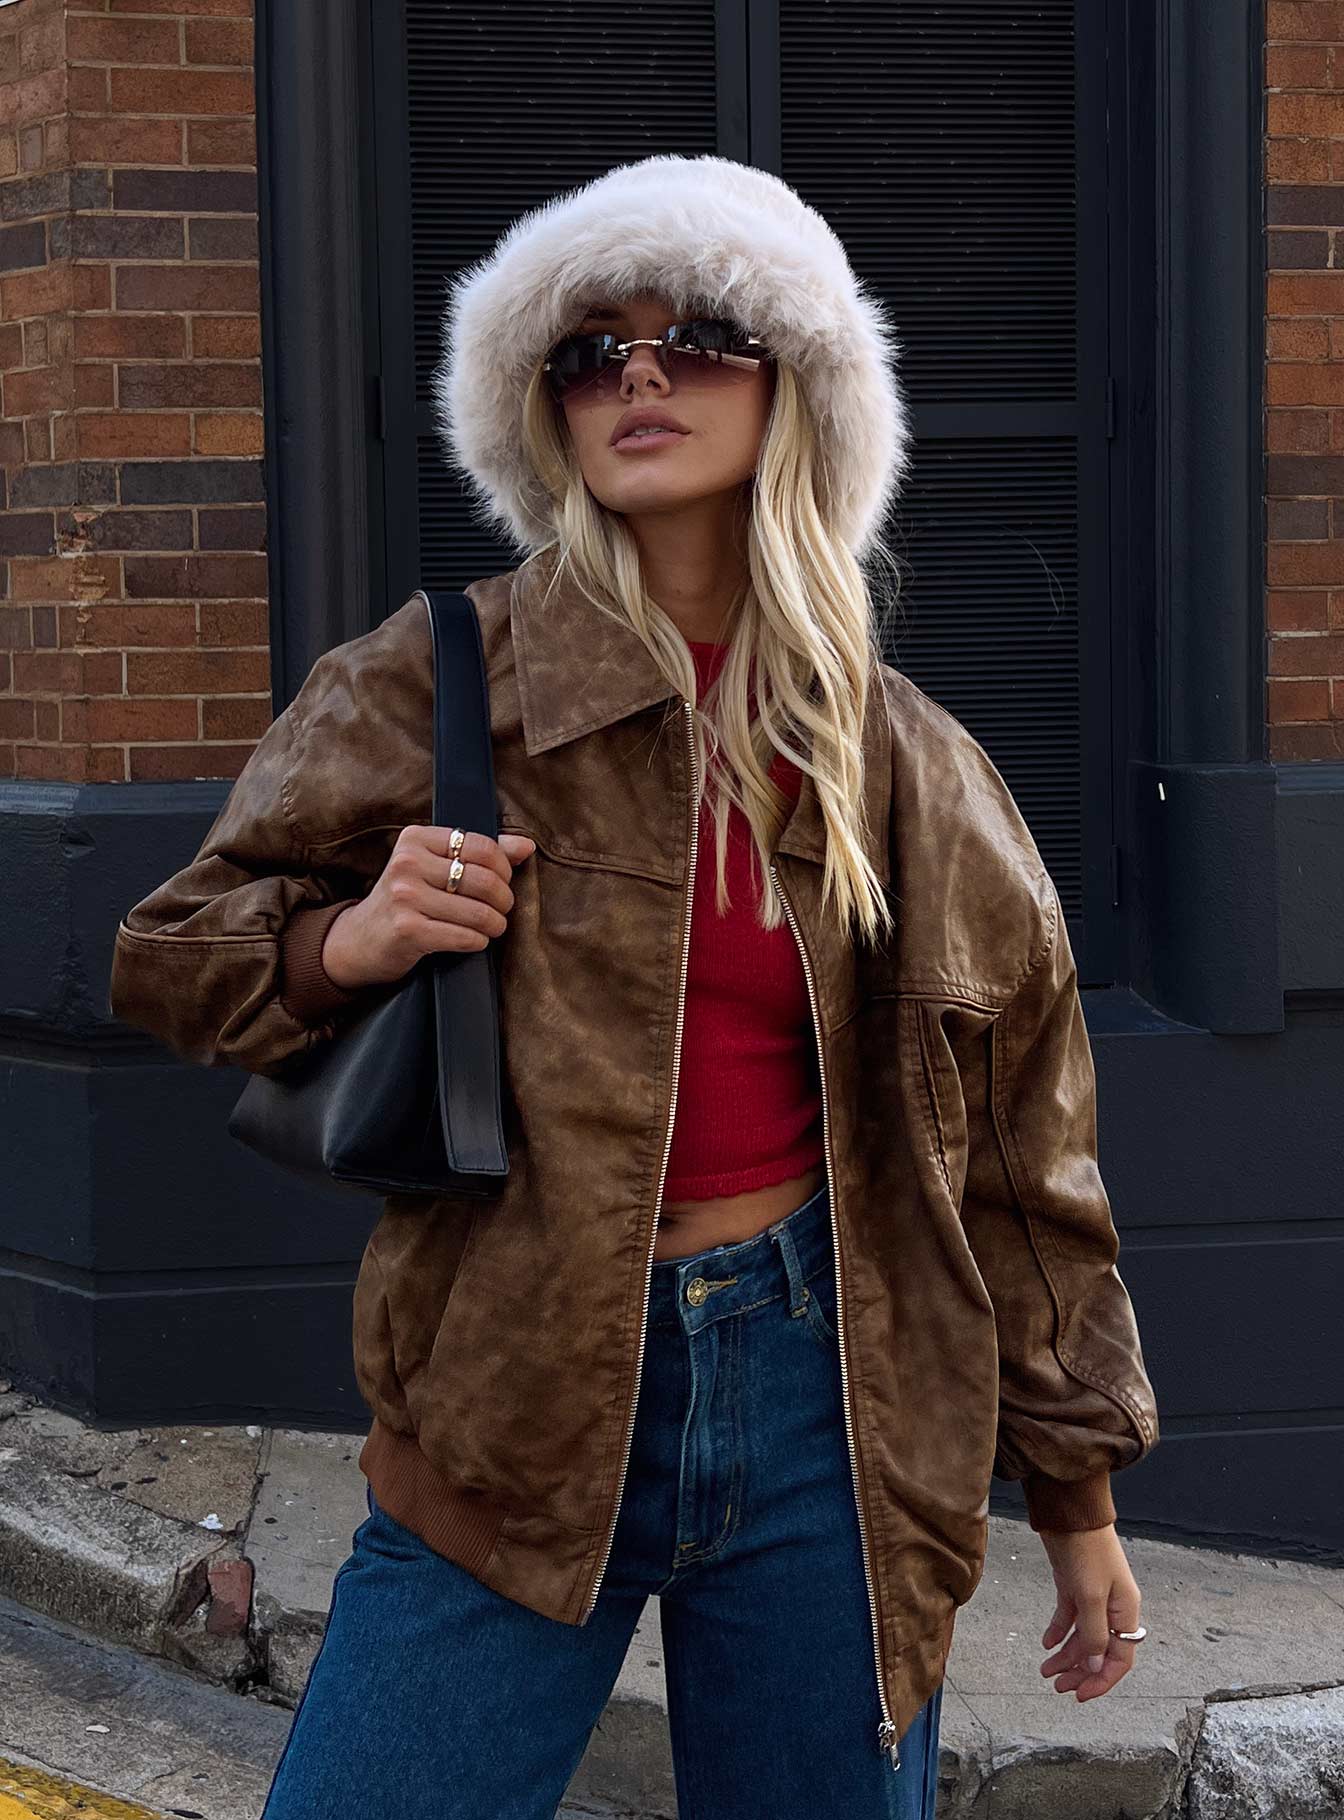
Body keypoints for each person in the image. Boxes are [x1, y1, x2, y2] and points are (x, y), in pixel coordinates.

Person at [108, 155, 1159, 1820]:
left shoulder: (905, 762)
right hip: (513, 1397)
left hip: (838, 1409)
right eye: (591, 352)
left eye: (700, 335)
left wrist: (1079, 1494)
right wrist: (347, 939)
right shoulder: (444, 673)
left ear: (799, 386)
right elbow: (167, 953)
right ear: (547, 413)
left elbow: (1028, 1157)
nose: (640, 375)